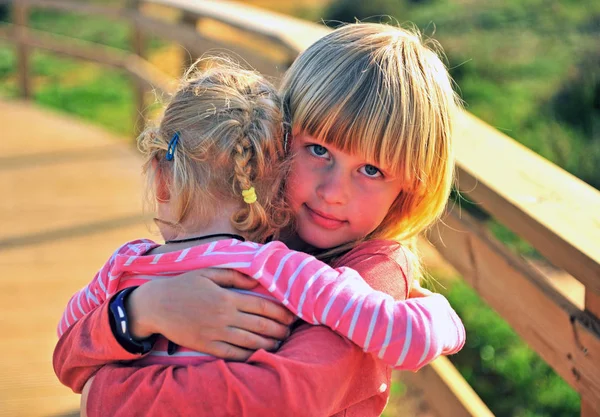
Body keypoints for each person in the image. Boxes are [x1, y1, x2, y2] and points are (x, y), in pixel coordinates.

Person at [54, 23, 463, 417]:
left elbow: (280, 400)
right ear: (279, 137)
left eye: (371, 170)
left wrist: (105, 398)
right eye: (318, 149)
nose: (334, 192)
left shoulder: (375, 272)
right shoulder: (252, 239)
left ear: (410, 188)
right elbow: (68, 355)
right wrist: (143, 309)